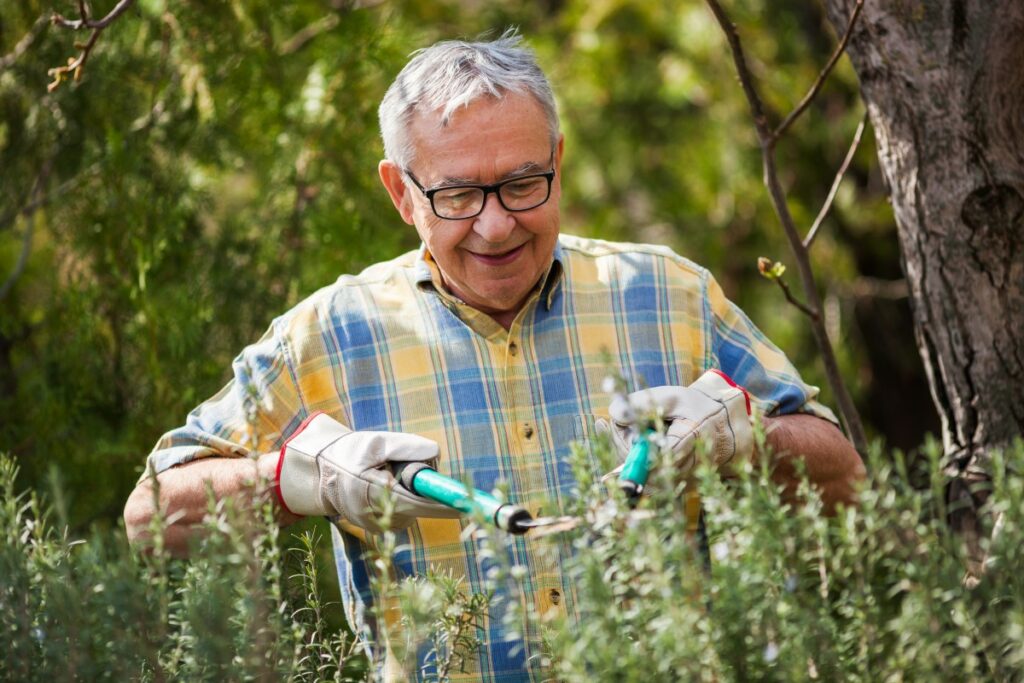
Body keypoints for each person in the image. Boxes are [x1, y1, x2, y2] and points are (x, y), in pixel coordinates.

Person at [124, 30, 865, 681]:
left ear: (559, 163)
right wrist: (293, 480)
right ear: (400, 193)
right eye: (457, 196)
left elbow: (848, 478)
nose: (496, 224)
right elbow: (149, 517)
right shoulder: (329, 333)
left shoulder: (669, 295)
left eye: (521, 183)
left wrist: (742, 439)